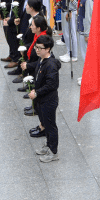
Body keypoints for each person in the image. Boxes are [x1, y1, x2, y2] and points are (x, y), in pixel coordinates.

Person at [30, 35, 61, 163]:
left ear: (48, 49)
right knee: (45, 124)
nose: (37, 50)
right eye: (36, 47)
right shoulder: (42, 60)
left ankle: (53, 151)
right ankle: (48, 145)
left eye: (40, 48)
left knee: (50, 125)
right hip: (41, 100)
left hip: (48, 100)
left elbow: (52, 85)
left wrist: (37, 92)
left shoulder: (51, 65)